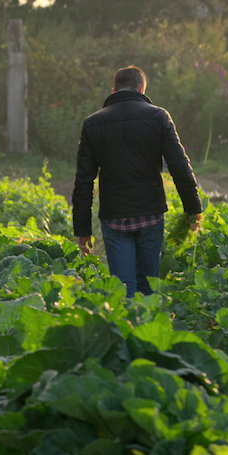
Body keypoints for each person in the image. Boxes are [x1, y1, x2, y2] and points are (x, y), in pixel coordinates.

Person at [72, 65, 202, 297]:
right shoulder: (158, 116)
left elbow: (84, 180)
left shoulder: (93, 124)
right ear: (142, 88)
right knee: (147, 287)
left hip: (114, 217)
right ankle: (146, 328)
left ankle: (126, 328)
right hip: (150, 213)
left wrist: (82, 229)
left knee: (123, 289)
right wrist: (193, 210)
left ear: (113, 91)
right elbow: (180, 167)